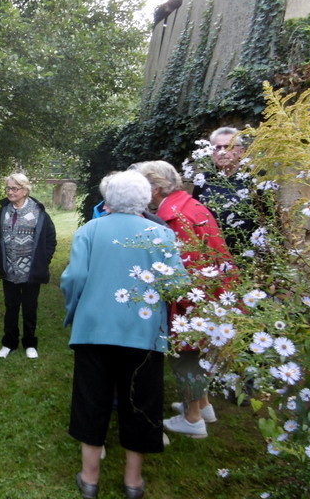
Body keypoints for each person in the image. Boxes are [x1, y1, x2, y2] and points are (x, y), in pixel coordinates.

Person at [61, 171, 186, 499]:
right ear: (145, 199)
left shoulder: (89, 230)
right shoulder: (161, 234)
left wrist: (75, 311)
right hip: (143, 333)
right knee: (141, 402)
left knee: (92, 400)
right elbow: (176, 285)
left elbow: (73, 278)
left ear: (108, 200)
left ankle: (89, 478)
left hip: (93, 330)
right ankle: (132, 481)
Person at [135, 160, 233, 439]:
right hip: (212, 289)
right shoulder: (189, 204)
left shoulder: (172, 216)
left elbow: (180, 265)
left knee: (184, 356)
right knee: (195, 354)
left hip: (190, 297)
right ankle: (203, 406)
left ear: (154, 189)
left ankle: (192, 420)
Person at [0, 172, 56, 359]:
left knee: (29, 308)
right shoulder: (2, 211)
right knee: (10, 308)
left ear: (25, 190)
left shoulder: (38, 212)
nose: (10, 192)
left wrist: (42, 261)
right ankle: (9, 343)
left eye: (14, 188)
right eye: (8, 188)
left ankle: (30, 343)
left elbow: (50, 240)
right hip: (8, 270)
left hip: (31, 272)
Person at [192, 126, 254, 254]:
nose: (222, 152)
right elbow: (195, 215)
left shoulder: (255, 179)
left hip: (247, 253)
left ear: (242, 152)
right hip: (212, 252)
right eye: (217, 148)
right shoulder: (202, 180)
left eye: (228, 147)